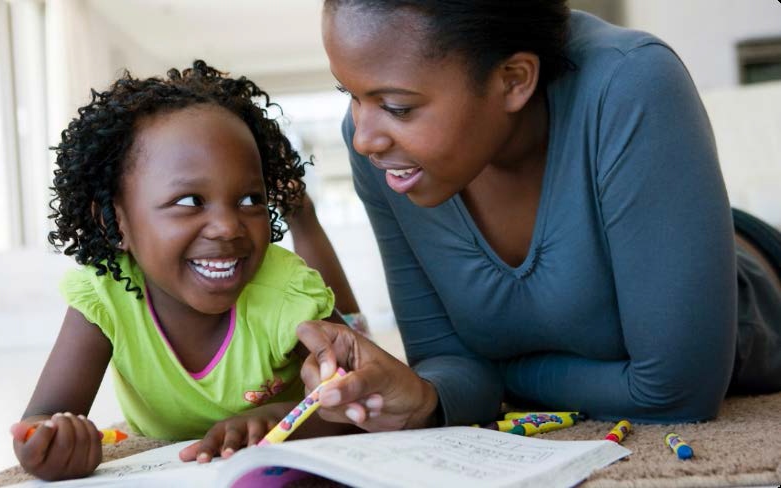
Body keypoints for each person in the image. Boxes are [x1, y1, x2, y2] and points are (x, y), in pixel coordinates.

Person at [292, 0, 781, 432]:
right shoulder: (385, 158)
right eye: (349, 94)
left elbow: (677, 392)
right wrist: (420, 396)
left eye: (397, 107)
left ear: (514, 80)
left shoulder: (632, 82)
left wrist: (497, 375)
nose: (363, 137)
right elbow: (447, 365)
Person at [9, 60, 355, 481]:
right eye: (191, 201)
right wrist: (53, 441)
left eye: (249, 199)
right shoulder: (104, 296)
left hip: (310, 306)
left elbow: (364, 395)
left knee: (353, 326)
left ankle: (302, 216)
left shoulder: (284, 290)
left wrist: (284, 416)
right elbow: (39, 420)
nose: (228, 226)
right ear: (115, 223)